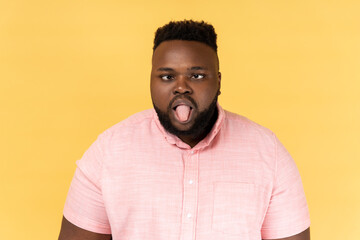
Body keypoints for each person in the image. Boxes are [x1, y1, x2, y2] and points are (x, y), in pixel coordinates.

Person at [58, 20, 310, 240]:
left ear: (219, 81)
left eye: (197, 76)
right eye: (167, 77)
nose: (181, 87)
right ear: (150, 81)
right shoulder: (107, 153)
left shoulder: (269, 154)